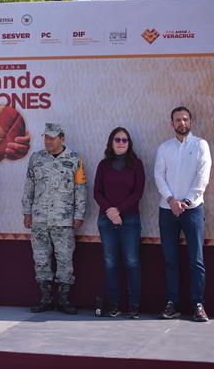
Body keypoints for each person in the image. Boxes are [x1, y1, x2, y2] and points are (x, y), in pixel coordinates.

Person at [22, 123, 87, 314]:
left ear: (62, 138)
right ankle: (45, 298)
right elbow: (29, 186)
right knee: (41, 259)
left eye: (52, 137)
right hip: (39, 218)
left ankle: (64, 300)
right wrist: (27, 212)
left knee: (65, 259)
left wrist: (79, 215)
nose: (48, 141)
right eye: (46, 137)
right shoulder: (37, 159)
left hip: (64, 220)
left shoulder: (74, 159)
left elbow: (81, 189)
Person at [154, 106, 211, 322]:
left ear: (191, 122)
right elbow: (159, 176)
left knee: (196, 259)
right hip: (167, 210)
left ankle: (198, 304)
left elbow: (202, 177)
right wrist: (171, 200)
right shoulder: (164, 148)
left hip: (193, 209)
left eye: (185, 119)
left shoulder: (200, 145)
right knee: (170, 260)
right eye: (178, 120)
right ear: (172, 124)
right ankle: (172, 303)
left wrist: (185, 202)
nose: (182, 123)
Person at [93, 127, 145, 319]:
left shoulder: (136, 165)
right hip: (106, 221)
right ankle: (114, 306)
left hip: (130, 220)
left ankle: (133, 306)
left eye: (125, 140)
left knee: (132, 262)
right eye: (118, 139)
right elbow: (97, 192)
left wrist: (119, 211)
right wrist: (111, 212)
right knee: (110, 263)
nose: (121, 143)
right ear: (111, 142)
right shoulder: (103, 165)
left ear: (129, 143)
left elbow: (138, 193)